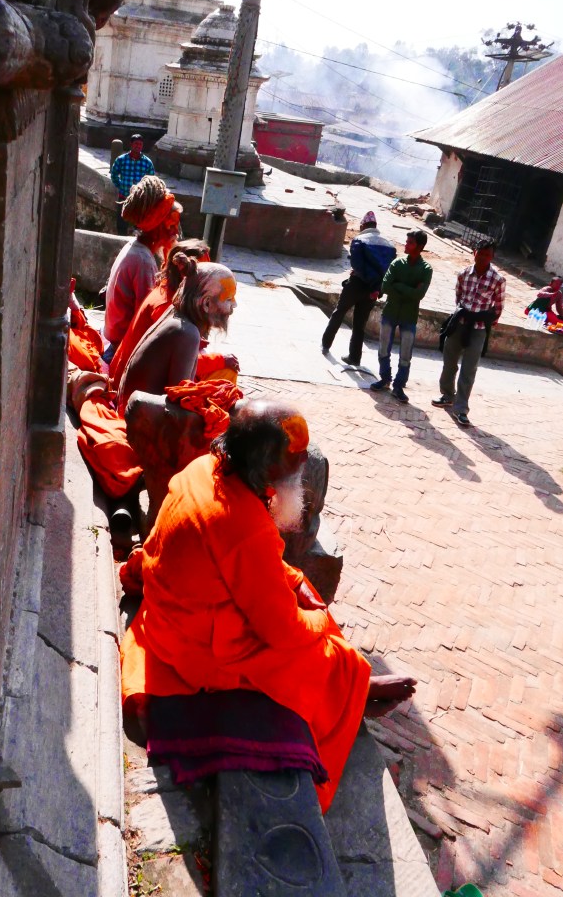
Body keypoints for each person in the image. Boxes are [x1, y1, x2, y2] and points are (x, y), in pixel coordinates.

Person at [120, 399, 417, 813]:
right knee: (318, 649)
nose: (300, 471)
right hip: (193, 647)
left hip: (172, 610)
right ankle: (351, 690)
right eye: (295, 464)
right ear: (269, 469)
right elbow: (282, 630)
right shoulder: (246, 526)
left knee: (302, 593)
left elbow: (239, 561)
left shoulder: (204, 469)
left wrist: (294, 581)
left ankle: (347, 685)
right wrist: (315, 617)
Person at [118, 257, 237, 416]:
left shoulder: (175, 313)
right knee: (230, 407)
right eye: (229, 299)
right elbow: (179, 401)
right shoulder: (187, 333)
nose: (234, 305)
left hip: (134, 410)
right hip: (140, 421)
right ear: (207, 304)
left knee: (225, 385)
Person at [102, 176, 182, 365]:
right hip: (120, 350)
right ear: (156, 226)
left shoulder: (136, 249)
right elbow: (147, 321)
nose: (176, 232)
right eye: (171, 225)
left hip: (116, 341)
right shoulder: (143, 261)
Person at [432, 238, 505, 427]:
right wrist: (463, 315)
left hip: (479, 328)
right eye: (480, 253)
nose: (483, 258)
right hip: (459, 323)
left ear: (492, 256)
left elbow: (498, 307)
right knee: (449, 361)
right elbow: (458, 297)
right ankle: (447, 394)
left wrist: (484, 319)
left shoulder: (497, 280)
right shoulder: (464, 274)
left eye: (487, 255)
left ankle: (461, 409)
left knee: (469, 369)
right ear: (474, 252)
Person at [322, 211, 396, 365]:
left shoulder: (359, 240)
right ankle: (355, 357)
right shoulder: (389, 245)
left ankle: (326, 343)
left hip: (357, 284)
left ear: (363, 225)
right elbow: (389, 270)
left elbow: (357, 265)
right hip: (374, 290)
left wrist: (367, 279)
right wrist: (377, 287)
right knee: (360, 324)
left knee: (339, 312)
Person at [370, 228, 432, 404]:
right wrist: (409, 289)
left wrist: (398, 285)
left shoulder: (426, 269)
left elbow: (418, 295)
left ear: (419, 247)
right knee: (383, 348)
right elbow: (386, 286)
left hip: (409, 316)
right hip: (390, 311)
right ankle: (385, 378)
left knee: (405, 354)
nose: (406, 245)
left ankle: (399, 385)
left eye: (410, 243)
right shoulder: (397, 263)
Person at [110, 133, 156, 235]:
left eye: (140, 144)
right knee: (121, 222)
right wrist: (121, 185)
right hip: (124, 196)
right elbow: (114, 174)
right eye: (136, 144)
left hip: (140, 199)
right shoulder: (121, 160)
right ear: (131, 144)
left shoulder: (147, 163)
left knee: (139, 224)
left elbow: (152, 180)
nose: (138, 146)